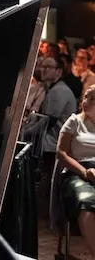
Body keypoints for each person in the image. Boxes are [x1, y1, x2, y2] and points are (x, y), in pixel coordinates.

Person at [56, 85, 95, 256]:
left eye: (93, 99)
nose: (87, 102)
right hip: (77, 172)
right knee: (86, 201)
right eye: (86, 97)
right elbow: (61, 153)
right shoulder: (74, 121)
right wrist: (85, 172)